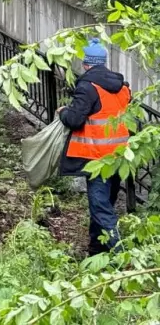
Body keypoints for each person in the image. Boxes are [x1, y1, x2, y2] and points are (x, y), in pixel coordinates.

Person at [58, 39, 131, 255]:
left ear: (86, 64)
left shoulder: (88, 87)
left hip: (98, 159)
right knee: (105, 204)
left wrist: (62, 112)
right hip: (119, 156)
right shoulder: (122, 87)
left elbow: (75, 120)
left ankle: (120, 255)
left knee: (100, 207)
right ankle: (96, 250)